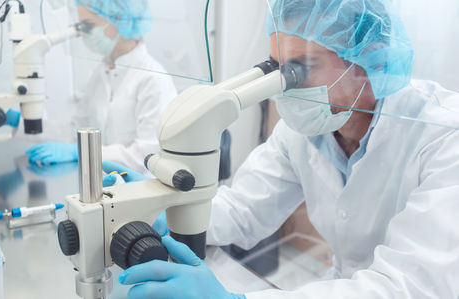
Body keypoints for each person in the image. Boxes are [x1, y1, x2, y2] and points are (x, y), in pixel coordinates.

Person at [104, 0, 459, 298]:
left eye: (300, 69)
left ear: (367, 62)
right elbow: (242, 211)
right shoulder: (307, 130)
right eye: (276, 66)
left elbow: (408, 285)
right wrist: (165, 207)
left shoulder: (444, 138)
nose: (284, 88)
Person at [25, 0, 177, 173]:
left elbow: (145, 154)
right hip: (104, 182)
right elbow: (77, 132)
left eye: (89, 25)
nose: (84, 33)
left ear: (121, 19)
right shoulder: (103, 71)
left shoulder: (153, 79)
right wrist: (23, 124)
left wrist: (81, 152)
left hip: (139, 189)